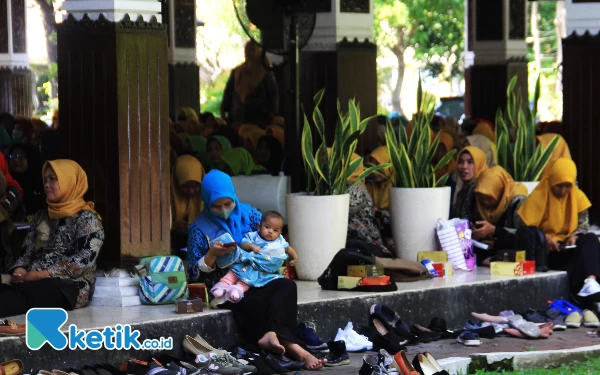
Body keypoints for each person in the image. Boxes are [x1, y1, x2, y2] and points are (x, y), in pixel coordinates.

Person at [187, 170, 326, 369]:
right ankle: (296, 349)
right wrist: (211, 255)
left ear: (235, 196)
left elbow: (274, 236)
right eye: (216, 206)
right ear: (206, 202)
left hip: (259, 275)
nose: (224, 210)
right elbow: (193, 273)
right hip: (228, 286)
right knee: (256, 301)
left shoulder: (250, 214)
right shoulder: (199, 228)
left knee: (286, 287)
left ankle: (273, 337)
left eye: (228, 204)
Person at [1, 159, 104, 317]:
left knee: (21, 297)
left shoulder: (87, 219)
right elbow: (26, 250)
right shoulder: (42, 216)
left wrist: (41, 275)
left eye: (53, 179)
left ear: (69, 181)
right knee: (12, 290)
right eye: (45, 180)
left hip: (68, 286)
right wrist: (20, 269)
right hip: (31, 280)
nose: (47, 184)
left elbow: (83, 261)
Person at [517, 158, 599, 297]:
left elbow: (583, 224)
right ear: (551, 181)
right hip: (547, 253)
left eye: (568, 186)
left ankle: (591, 283)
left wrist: (575, 235)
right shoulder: (537, 197)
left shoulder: (577, 197)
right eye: (559, 186)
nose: (563, 191)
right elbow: (524, 230)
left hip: (567, 247)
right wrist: (543, 237)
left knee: (590, 239)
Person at [211, 211, 298, 302]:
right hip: (248, 262)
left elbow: (288, 249)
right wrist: (252, 246)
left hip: (262, 270)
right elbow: (243, 244)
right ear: (259, 227)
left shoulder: (280, 241)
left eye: (275, 230)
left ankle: (237, 289)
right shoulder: (254, 236)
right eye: (267, 227)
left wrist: (295, 258)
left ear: (280, 232)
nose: (270, 231)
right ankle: (223, 285)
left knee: (251, 279)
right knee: (235, 270)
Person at [472, 166, 529, 263]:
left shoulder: (518, 201)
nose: (485, 202)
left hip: (517, 255)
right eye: (482, 197)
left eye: (489, 198)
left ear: (500, 190)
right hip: (493, 250)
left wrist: (494, 230)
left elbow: (526, 235)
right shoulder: (479, 203)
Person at [221, 41, 278, 126]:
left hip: (259, 122)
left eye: (252, 50)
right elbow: (228, 93)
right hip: (237, 122)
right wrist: (224, 109)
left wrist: (272, 116)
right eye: (247, 50)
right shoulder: (237, 72)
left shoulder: (266, 74)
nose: (249, 53)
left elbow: (273, 96)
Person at [347, 153, 393, 257]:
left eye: (378, 164)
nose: (373, 169)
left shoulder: (355, 188)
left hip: (368, 243)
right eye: (370, 164)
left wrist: (379, 212)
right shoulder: (370, 187)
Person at [171, 155, 205, 252]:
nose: (191, 191)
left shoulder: (210, 199)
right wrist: (172, 226)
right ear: (176, 183)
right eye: (185, 186)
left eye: (196, 186)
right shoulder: (164, 198)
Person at [452, 146, 488, 222]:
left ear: (480, 164)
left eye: (470, 162)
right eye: (461, 162)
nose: (464, 167)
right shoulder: (462, 192)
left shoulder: (480, 191)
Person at [8, 144, 45, 216]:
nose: (15, 160)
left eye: (20, 156)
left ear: (32, 159)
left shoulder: (42, 185)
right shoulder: (8, 184)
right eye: (12, 156)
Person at [366, 146, 392, 211]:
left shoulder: (398, 189)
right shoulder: (370, 187)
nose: (375, 171)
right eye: (372, 166)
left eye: (379, 165)